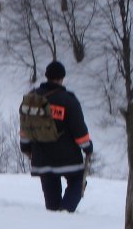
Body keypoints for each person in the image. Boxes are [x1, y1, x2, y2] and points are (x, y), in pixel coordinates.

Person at [20, 60, 93, 212]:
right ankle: (64, 214)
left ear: (47, 76)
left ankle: (55, 221)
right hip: (68, 158)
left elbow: (25, 128)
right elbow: (79, 130)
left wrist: (25, 147)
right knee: (78, 181)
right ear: (62, 78)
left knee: (51, 201)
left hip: (42, 157)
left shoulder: (31, 99)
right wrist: (87, 147)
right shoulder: (68, 100)